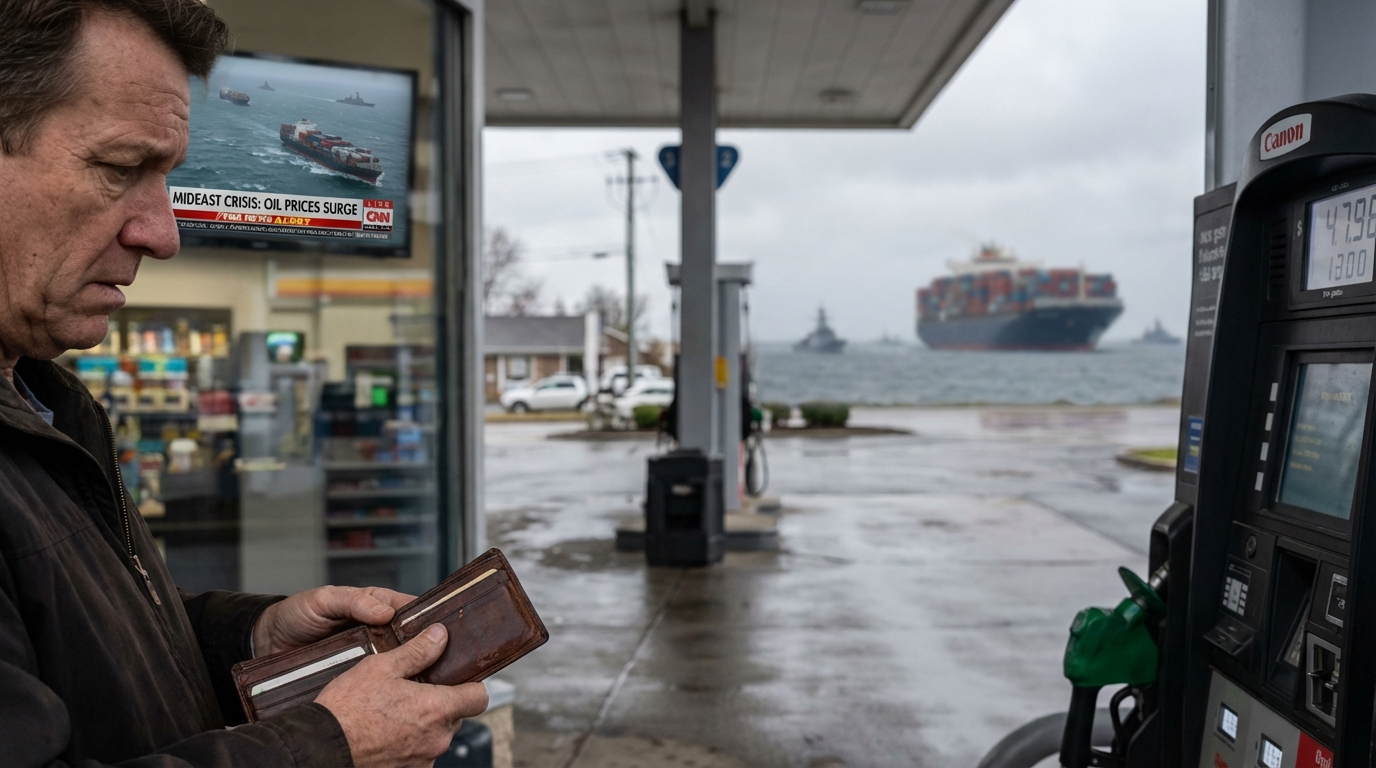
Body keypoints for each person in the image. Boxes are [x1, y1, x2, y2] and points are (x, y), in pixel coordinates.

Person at [0, 1, 488, 765]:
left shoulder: (45, 405)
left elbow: (75, 647)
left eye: (164, 179)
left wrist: (253, 637)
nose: (162, 235)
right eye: (121, 169)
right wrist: (331, 746)